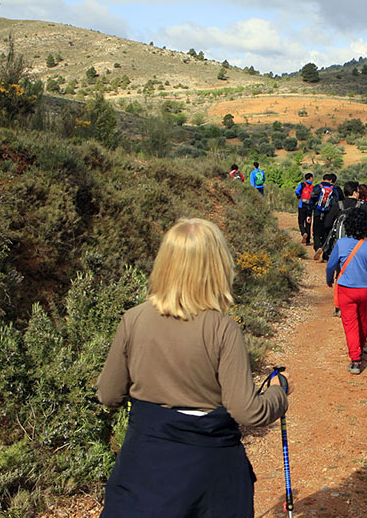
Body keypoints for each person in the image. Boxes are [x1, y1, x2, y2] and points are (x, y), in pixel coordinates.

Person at [97, 218, 290, 516]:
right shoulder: (223, 330)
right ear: (218, 267)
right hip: (208, 472)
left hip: (143, 465)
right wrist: (279, 395)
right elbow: (248, 412)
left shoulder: (133, 320)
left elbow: (109, 395)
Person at [326, 208, 367, 374]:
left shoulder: (342, 243)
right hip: (365, 291)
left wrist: (329, 280)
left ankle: (356, 359)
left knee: (350, 324)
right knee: (363, 321)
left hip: (346, 290)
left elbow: (331, 265)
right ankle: (362, 345)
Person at [316, 181, 363, 261]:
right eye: (358, 192)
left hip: (339, 243)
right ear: (354, 192)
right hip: (356, 244)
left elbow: (327, 224)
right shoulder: (361, 207)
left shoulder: (338, 205)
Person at [310, 173, 338, 252]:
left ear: (322, 179)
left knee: (316, 231)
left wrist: (309, 212)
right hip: (328, 214)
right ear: (331, 180)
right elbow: (336, 202)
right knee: (326, 232)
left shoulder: (317, 187)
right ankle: (325, 250)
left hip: (317, 212)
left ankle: (317, 247)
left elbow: (311, 200)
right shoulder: (334, 189)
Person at [294, 172, 315, 245]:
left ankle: (303, 233)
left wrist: (300, 197)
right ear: (310, 178)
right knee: (308, 223)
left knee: (301, 221)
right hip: (310, 207)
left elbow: (296, 191)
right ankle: (308, 241)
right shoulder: (313, 187)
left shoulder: (302, 184)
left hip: (302, 206)